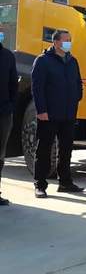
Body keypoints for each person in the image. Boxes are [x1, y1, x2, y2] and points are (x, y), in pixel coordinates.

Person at [31, 29, 84, 198]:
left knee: (66, 149)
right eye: (65, 40)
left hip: (68, 113)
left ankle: (65, 182)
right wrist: (41, 110)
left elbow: (78, 82)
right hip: (49, 114)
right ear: (55, 42)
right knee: (44, 149)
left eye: (70, 39)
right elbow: (37, 88)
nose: (68, 43)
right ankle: (40, 184)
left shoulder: (72, 61)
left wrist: (77, 97)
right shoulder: (43, 61)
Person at [0, 30, 17, 205]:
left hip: (4, 112)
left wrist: (10, 105)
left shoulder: (8, 56)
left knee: (0, 155)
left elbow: (13, 84)